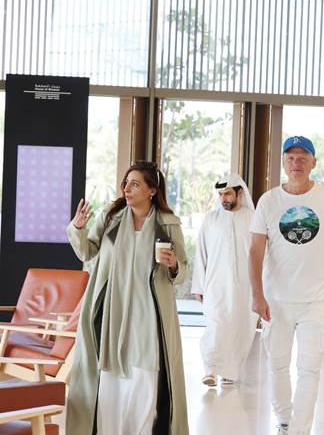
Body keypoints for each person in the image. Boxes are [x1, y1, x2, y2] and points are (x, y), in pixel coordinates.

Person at [65, 161, 189, 435]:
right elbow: (87, 252)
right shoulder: (111, 218)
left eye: (135, 184)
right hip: (112, 312)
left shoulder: (168, 224)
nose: (127, 189)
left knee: (144, 381)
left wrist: (173, 264)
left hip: (149, 316)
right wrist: (78, 227)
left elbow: (182, 271)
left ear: (152, 191)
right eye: (126, 183)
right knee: (110, 381)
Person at [249, 135, 324, 435]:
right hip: (276, 300)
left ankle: (299, 430)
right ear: (283, 162)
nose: (296, 163)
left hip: (317, 300)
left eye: (303, 158)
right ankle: (284, 419)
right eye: (290, 158)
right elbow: (255, 252)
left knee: (310, 368)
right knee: (278, 365)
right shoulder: (269, 201)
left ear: (313, 162)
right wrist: (257, 295)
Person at [190, 174, 257, 387]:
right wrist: (198, 286)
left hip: (245, 287)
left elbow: (262, 254)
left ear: (239, 193)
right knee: (216, 326)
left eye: (227, 193)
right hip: (215, 284)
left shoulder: (253, 218)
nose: (223, 198)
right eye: (220, 194)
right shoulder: (211, 220)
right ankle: (210, 369)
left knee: (241, 328)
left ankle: (230, 372)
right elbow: (201, 253)